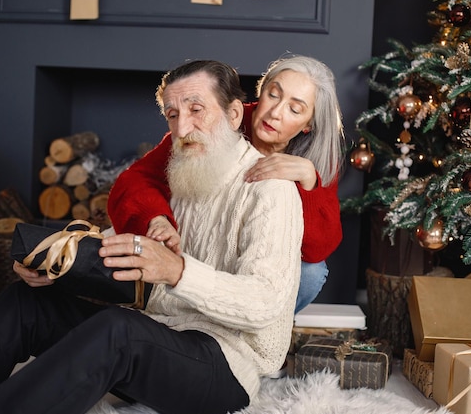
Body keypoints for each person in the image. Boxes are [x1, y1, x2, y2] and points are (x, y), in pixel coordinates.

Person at [0, 60, 303, 414]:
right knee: (27, 303)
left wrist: (177, 271)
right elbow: (126, 243)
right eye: (172, 114)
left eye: (196, 110)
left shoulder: (272, 190)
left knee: (118, 329)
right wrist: (56, 262)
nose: (182, 128)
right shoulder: (187, 171)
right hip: (160, 336)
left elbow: (266, 301)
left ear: (234, 114)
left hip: (223, 367)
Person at [108, 54, 345, 313]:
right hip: (198, 252)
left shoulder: (317, 156)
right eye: (273, 95)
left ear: (309, 123)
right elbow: (136, 178)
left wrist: (309, 183)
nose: (275, 112)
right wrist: (156, 218)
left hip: (256, 273)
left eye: (294, 109)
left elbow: (316, 251)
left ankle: (266, 328)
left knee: (312, 273)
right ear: (261, 91)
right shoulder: (223, 117)